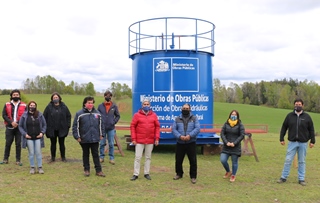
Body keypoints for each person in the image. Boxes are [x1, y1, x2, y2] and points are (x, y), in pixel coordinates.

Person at [277, 98, 315, 186]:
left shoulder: (307, 117)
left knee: (301, 161)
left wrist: (312, 141)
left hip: (303, 143)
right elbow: (284, 127)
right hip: (292, 142)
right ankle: (283, 177)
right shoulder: (289, 116)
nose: (298, 106)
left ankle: (301, 179)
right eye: (296, 104)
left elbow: (311, 129)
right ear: (294, 105)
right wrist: (281, 138)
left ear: (303, 105)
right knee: (288, 160)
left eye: (299, 104)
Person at [72, 96, 106, 177]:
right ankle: (86, 170)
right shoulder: (79, 114)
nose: (91, 104)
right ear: (85, 103)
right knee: (85, 154)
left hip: (95, 138)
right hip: (84, 138)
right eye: (89, 103)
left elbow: (101, 125)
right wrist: (77, 136)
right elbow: (75, 126)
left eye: (92, 103)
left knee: (95, 154)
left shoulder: (97, 113)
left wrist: (102, 134)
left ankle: (98, 170)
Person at [130, 99, 160, 181]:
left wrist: (156, 138)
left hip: (150, 140)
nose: (146, 105)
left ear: (149, 105)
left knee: (148, 157)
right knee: (138, 157)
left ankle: (146, 173)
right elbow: (132, 127)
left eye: (147, 104)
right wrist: (133, 138)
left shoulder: (154, 115)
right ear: (142, 105)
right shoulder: (137, 115)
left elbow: (157, 127)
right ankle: (135, 174)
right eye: (144, 104)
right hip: (139, 140)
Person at [172, 103, 200, 184]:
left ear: (190, 109)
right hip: (180, 142)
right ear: (181, 109)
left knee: (193, 160)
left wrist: (189, 136)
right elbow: (174, 129)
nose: (185, 109)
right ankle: (179, 174)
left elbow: (197, 128)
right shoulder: (177, 118)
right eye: (184, 108)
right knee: (178, 160)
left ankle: (193, 176)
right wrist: (180, 136)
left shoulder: (194, 118)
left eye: (187, 108)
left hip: (191, 142)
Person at [19, 101, 47, 174]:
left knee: (38, 152)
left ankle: (40, 167)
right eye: (31, 105)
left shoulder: (40, 115)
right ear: (28, 106)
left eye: (34, 105)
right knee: (31, 153)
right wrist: (25, 134)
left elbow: (44, 125)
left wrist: (42, 133)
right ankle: (32, 167)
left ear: (36, 106)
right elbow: (20, 126)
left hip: (38, 137)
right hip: (29, 137)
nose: (32, 107)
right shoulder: (24, 115)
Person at [43, 92, 71, 163]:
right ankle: (53, 157)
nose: (55, 98)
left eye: (56, 97)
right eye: (54, 97)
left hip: (62, 128)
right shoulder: (49, 107)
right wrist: (45, 126)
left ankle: (63, 157)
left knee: (62, 143)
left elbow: (68, 115)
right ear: (52, 99)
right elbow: (44, 117)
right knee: (53, 143)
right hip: (52, 129)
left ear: (59, 98)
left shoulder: (64, 106)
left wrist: (68, 125)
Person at [1, 89, 26, 166]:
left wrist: (17, 123)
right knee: (8, 143)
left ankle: (18, 160)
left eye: (17, 95)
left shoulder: (24, 105)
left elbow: (25, 115)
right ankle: (5, 159)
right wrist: (11, 122)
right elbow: (4, 115)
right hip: (9, 127)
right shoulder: (7, 104)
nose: (15, 96)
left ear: (19, 96)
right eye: (14, 95)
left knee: (18, 144)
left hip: (19, 128)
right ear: (11, 96)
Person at [220, 110, 245, 182]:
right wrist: (226, 142)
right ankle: (228, 171)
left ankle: (233, 175)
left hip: (235, 147)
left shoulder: (240, 125)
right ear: (230, 115)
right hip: (226, 146)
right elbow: (222, 133)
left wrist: (234, 143)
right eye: (232, 114)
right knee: (223, 160)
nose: (233, 116)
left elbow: (242, 135)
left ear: (237, 116)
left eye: (235, 115)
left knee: (234, 162)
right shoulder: (226, 124)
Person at [98, 90, 120, 165]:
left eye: (109, 96)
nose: (108, 97)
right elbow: (97, 115)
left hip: (111, 128)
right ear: (104, 96)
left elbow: (118, 116)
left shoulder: (114, 106)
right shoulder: (100, 106)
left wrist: (113, 122)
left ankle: (111, 158)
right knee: (102, 143)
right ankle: (101, 157)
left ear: (111, 97)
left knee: (111, 144)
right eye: (106, 95)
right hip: (102, 128)